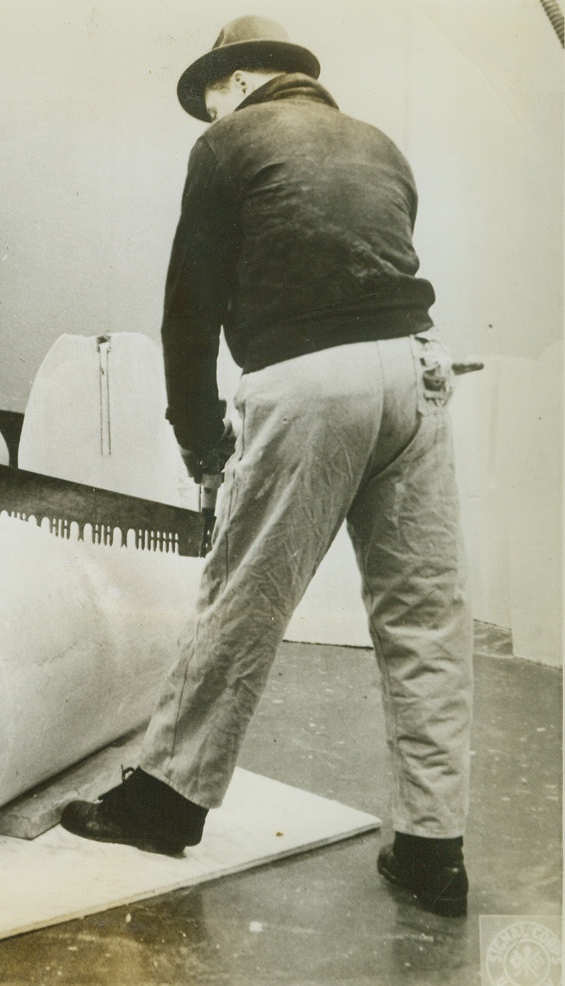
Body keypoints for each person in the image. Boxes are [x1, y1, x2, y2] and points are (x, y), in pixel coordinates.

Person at [61, 16, 473, 917]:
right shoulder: (378, 142)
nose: (208, 116)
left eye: (210, 99)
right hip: (417, 372)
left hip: (310, 383)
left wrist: (199, 437)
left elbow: (190, 307)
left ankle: (164, 802)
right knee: (425, 617)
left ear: (240, 81)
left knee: (244, 596)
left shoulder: (229, 142)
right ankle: (433, 847)